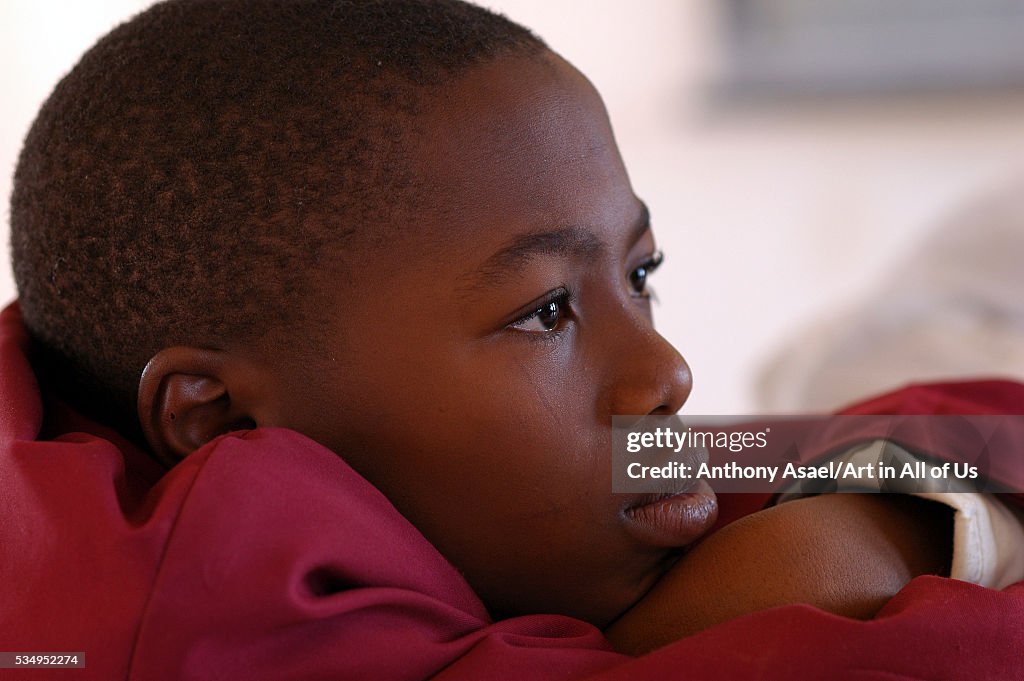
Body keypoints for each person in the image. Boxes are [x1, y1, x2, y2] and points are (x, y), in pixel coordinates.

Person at [3, 1, 1024, 678]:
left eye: (640, 276)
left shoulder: (560, 469)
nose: (666, 372)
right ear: (219, 419)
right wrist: (870, 538)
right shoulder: (217, 627)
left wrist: (877, 514)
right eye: (545, 311)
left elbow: (964, 440)